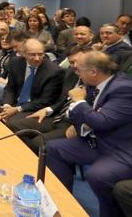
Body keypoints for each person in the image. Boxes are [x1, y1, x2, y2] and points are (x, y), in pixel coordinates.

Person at [46, 51, 132, 217]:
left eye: (79, 70)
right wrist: (81, 124)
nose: (76, 73)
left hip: (121, 148)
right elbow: (82, 117)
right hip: (98, 140)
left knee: (98, 175)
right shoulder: (95, 85)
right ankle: (63, 203)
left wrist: (79, 101)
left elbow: (101, 121)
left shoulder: (124, 89)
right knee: (53, 148)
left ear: (93, 72)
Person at [6, 45, 92, 152]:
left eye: (77, 62)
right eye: (71, 63)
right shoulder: (70, 74)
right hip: (56, 117)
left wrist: (79, 124)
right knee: (13, 125)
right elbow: (62, 101)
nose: (75, 66)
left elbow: (94, 111)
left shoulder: (95, 82)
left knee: (38, 142)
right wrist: (47, 110)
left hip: (72, 124)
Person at [0, 39, 63, 122]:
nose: (37, 58)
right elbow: (10, 88)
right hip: (14, 103)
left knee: (10, 122)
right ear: (23, 54)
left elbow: (45, 100)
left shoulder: (54, 71)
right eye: (32, 55)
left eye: (40, 54)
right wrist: (7, 105)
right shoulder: (15, 62)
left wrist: (17, 109)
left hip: (33, 108)